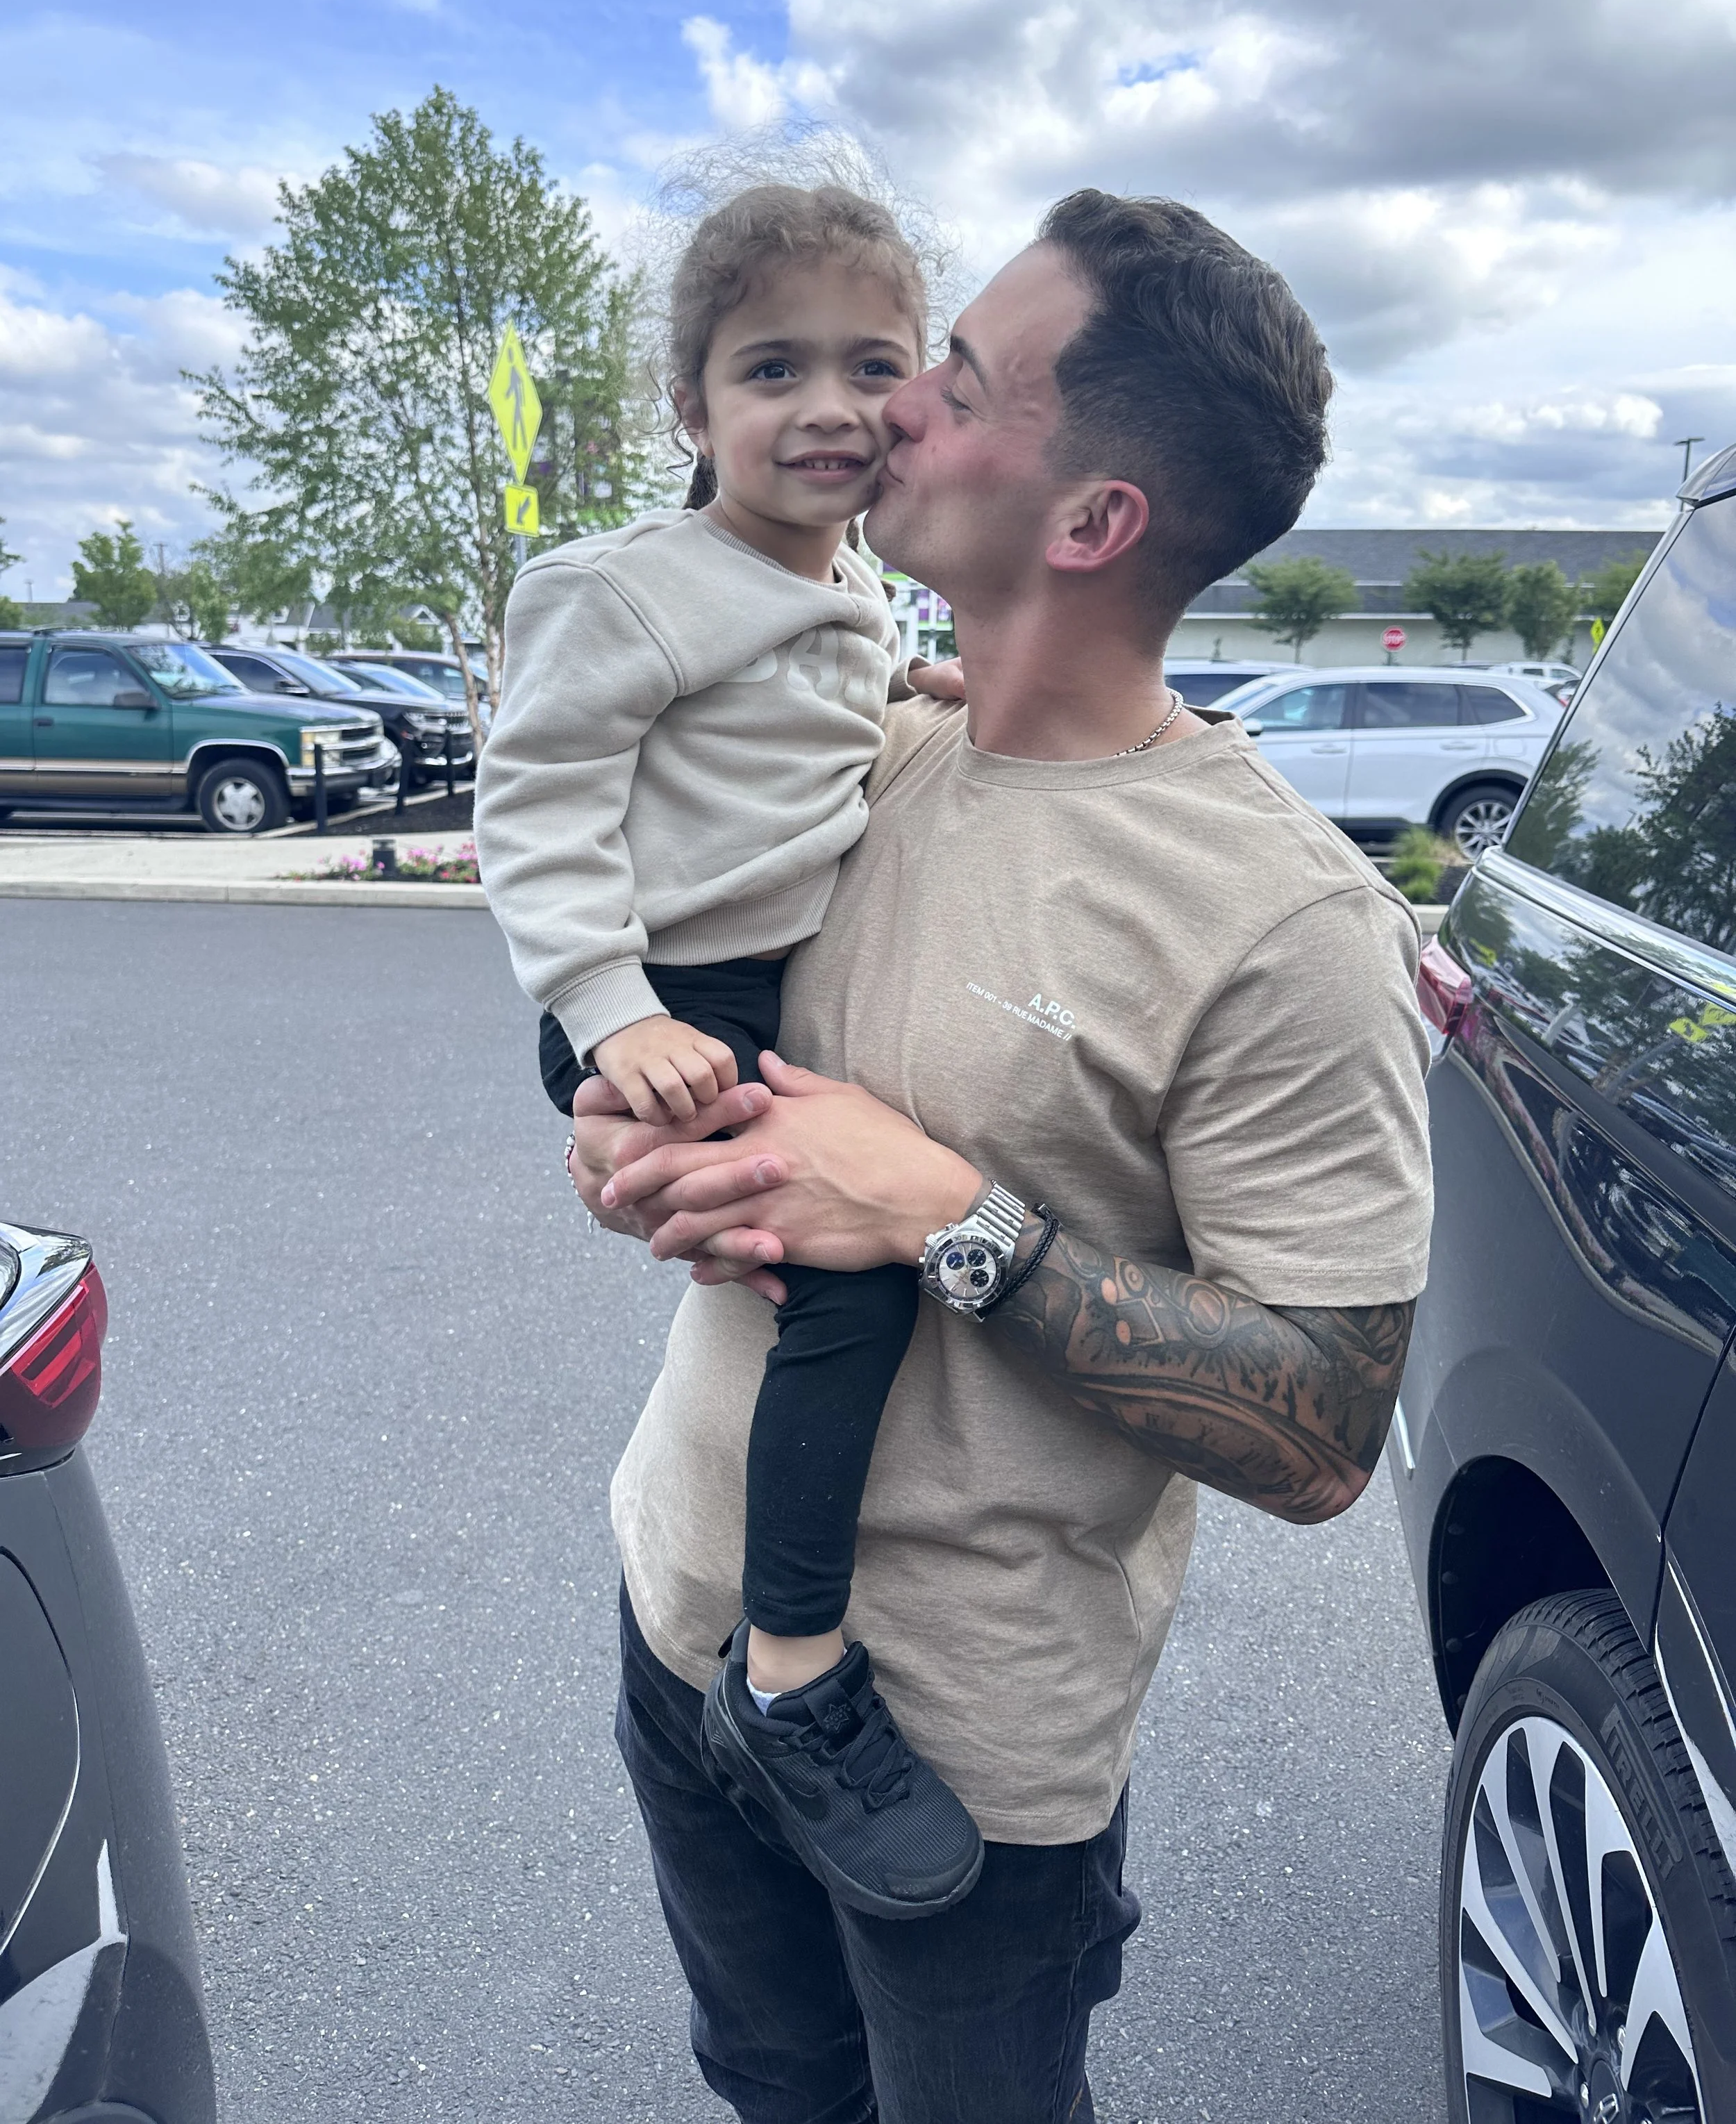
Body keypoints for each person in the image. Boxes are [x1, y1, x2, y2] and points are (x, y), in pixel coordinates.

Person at [567, 188, 1435, 2124]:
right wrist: (637, 1142)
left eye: (947, 381)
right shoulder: (859, 749)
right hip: (676, 1610)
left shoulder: (1279, 919)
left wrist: (958, 1221)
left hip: (959, 1755)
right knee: (768, 2084)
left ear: (1089, 522)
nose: (886, 413)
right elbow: (661, 1000)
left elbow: (1323, 1427)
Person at [475, 182, 987, 1923]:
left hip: (750, 993)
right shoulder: (619, 589)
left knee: (846, 1265)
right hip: (664, 1001)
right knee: (857, 1293)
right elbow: (534, 811)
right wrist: (611, 1014)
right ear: (690, 409)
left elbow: (822, 705)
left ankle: (778, 1652)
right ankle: (788, 1676)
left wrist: (932, 695)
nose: (830, 406)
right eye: (773, 368)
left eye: (873, 364)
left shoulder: (842, 587)